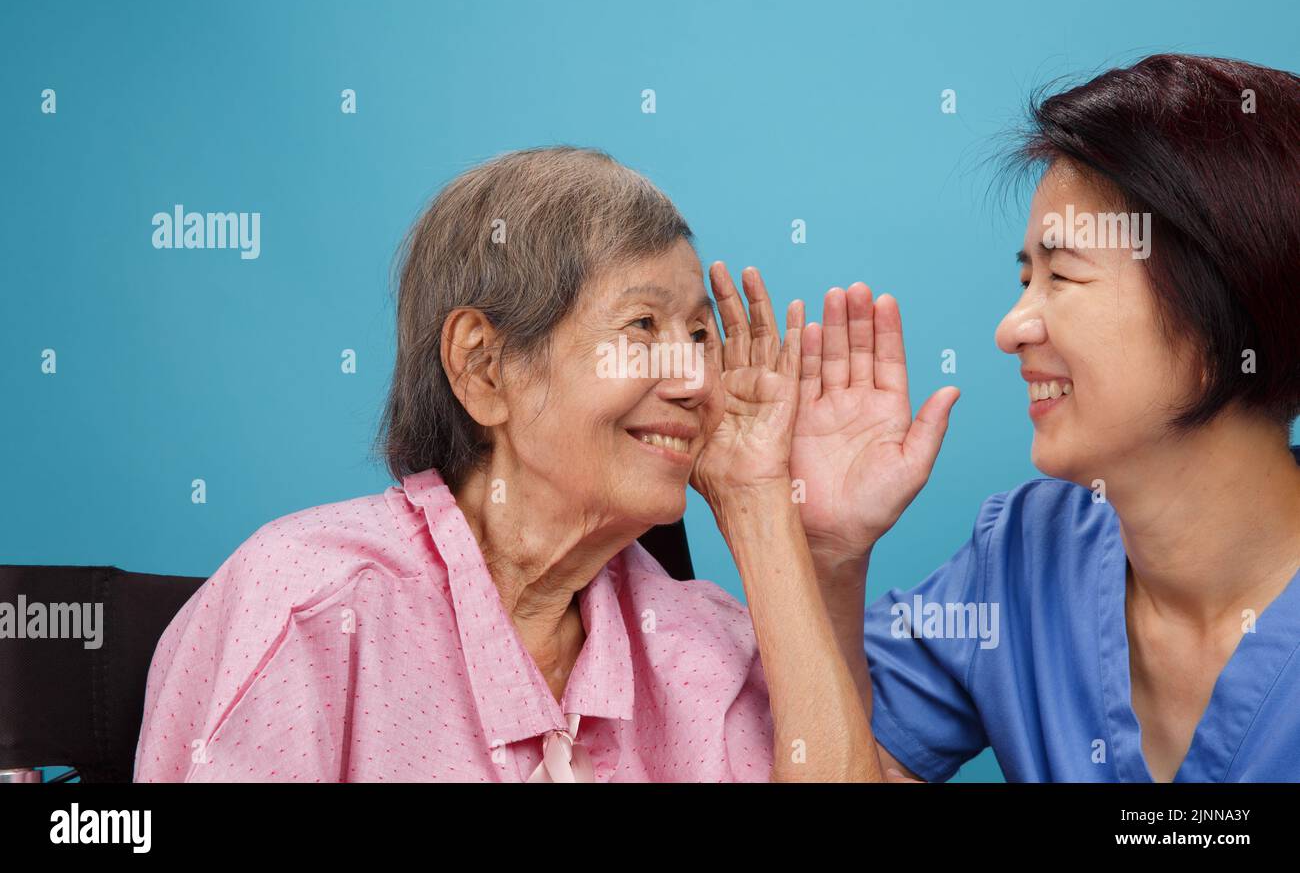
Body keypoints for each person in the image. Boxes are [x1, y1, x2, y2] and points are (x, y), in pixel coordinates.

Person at [132, 146, 880, 782]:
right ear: (485, 367)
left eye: (699, 334)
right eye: (643, 326)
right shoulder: (307, 605)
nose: (693, 378)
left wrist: (757, 500)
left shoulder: (706, 645)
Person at [797, 54, 1300, 782]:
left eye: (1061, 277)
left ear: (1221, 316)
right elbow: (840, 761)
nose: (1011, 327)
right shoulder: (1026, 557)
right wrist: (831, 554)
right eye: (1026, 278)